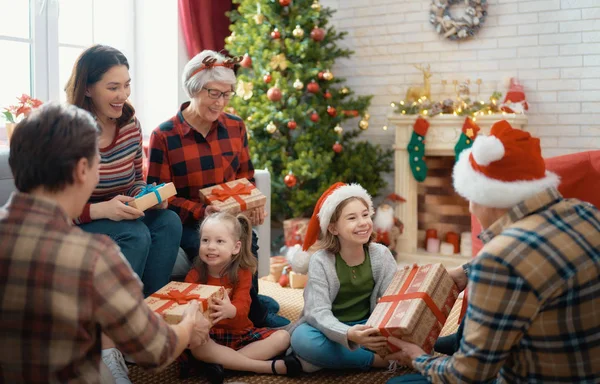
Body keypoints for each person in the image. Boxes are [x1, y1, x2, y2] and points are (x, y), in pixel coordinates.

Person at [0, 103, 210, 383]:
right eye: (98, 163)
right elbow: (155, 350)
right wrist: (189, 325)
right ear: (82, 169)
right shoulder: (94, 257)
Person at [384, 120, 600, 383]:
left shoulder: (499, 258)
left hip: (533, 374)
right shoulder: (585, 211)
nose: (471, 209)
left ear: (488, 197)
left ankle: (465, 346)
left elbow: (465, 375)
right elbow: (537, 260)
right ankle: (464, 341)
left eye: (469, 198)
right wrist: (467, 271)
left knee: (397, 382)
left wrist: (416, 357)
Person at [146, 49, 288, 328]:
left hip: (230, 219)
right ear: (194, 89)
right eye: (214, 93)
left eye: (227, 94)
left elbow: (245, 179)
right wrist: (202, 211)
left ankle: (250, 311)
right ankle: (235, 312)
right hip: (189, 223)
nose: (221, 102)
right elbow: (159, 197)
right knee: (217, 248)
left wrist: (253, 205)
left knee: (247, 241)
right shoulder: (164, 135)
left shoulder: (236, 128)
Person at [65, 44, 182, 298]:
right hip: (77, 222)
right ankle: (121, 320)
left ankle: (153, 309)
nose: (123, 95)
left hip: (118, 215)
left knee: (169, 221)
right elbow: (52, 208)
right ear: (87, 88)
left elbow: (134, 181)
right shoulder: (68, 133)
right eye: (113, 87)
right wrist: (101, 209)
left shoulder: (130, 125)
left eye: (126, 85)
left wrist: (148, 197)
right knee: (134, 233)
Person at [289, 182, 398, 372]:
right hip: (327, 329)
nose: (363, 222)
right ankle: (376, 361)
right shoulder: (321, 261)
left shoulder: (381, 255)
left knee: (405, 333)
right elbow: (317, 313)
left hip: (367, 326)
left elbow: (394, 298)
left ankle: (329, 360)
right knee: (301, 339)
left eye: (365, 214)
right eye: (352, 218)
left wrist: (412, 282)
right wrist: (347, 333)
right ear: (333, 228)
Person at [181, 212, 300, 383]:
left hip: (240, 335)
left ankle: (222, 365)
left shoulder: (242, 274)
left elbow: (244, 309)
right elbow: (187, 311)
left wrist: (231, 310)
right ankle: (266, 367)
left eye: (219, 241)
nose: (210, 246)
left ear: (236, 247)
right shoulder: (194, 275)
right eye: (205, 240)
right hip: (209, 337)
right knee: (197, 345)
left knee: (283, 337)